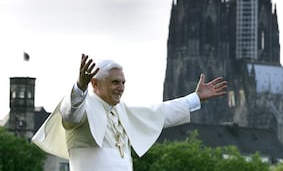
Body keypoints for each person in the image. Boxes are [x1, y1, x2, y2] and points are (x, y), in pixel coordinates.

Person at [32, 54, 227, 171]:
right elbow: (69, 115)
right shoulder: (84, 107)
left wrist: (196, 97)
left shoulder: (121, 111)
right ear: (95, 83)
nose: (120, 88)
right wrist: (79, 87)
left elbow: (161, 113)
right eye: (115, 82)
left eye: (123, 82)